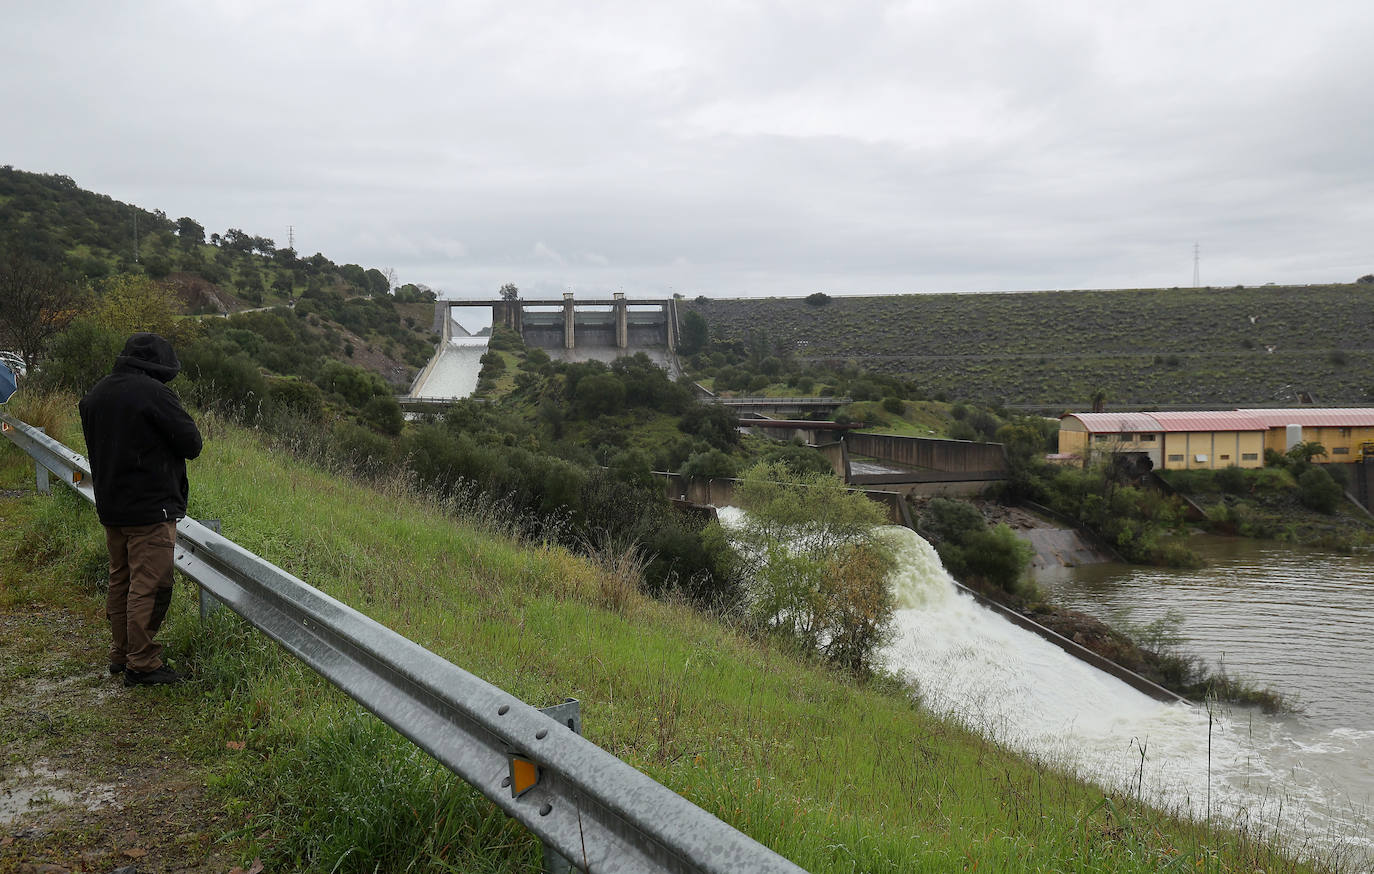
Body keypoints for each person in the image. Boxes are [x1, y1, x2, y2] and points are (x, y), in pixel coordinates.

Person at [79, 333, 202, 687]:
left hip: (112, 506)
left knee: (121, 579)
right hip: (151, 509)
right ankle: (143, 663)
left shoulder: (97, 393)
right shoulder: (154, 393)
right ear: (159, 368)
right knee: (151, 585)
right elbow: (192, 443)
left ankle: (121, 653)